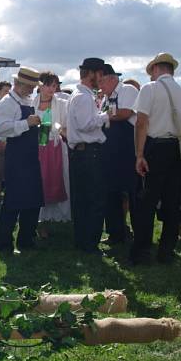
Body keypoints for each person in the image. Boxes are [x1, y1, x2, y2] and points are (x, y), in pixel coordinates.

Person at [132, 52, 181, 264]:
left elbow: (141, 123)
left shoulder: (150, 89)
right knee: (171, 202)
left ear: (156, 69)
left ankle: (142, 251)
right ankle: (167, 250)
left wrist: (139, 154)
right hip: (176, 148)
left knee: (146, 202)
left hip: (155, 147)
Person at [0, 67, 44, 254]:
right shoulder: (7, 102)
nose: (32, 90)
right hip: (16, 156)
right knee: (13, 200)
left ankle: (26, 240)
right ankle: (4, 243)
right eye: (30, 86)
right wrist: (26, 123)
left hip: (30, 155)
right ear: (19, 84)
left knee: (32, 199)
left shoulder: (26, 100)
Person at [66, 57, 109, 254]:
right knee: (93, 198)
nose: (101, 78)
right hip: (89, 153)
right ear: (91, 73)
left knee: (82, 199)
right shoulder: (83, 97)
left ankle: (82, 240)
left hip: (80, 153)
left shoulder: (80, 94)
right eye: (99, 74)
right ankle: (90, 242)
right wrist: (106, 116)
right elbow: (86, 124)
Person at [98, 63, 139, 245]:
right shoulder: (106, 97)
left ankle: (139, 233)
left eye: (102, 82)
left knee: (133, 193)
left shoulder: (127, 90)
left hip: (128, 150)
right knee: (111, 193)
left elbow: (124, 113)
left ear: (113, 78)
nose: (100, 87)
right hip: (110, 152)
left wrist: (103, 116)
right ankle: (116, 233)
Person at [33, 72, 70, 232]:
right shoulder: (30, 103)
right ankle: (41, 219)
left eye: (54, 86)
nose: (51, 89)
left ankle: (61, 216)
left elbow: (67, 127)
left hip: (55, 147)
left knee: (58, 178)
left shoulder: (62, 104)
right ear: (40, 85)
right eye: (48, 85)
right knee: (39, 181)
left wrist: (59, 129)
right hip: (36, 148)